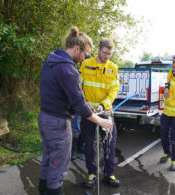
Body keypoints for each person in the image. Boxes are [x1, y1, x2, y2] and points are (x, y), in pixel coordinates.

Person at [38, 27, 113, 195]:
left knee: (48, 161)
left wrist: (82, 105)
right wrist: (101, 121)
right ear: (77, 49)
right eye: (85, 53)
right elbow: (79, 104)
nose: (84, 58)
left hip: (45, 118)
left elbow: (61, 93)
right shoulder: (68, 70)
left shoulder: (51, 60)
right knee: (58, 169)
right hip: (58, 124)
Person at [79, 38, 120, 187]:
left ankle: (109, 175)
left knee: (110, 143)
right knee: (89, 144)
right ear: (98, 49)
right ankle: (91, 174)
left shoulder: (113, 68)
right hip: (88, 112)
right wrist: (83, 102)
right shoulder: (85, 64)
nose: (107, 56)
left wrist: (104, 105)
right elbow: (78, 86)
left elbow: (114, 90)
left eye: (110, 54)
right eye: (104, 53)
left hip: (106, 112)